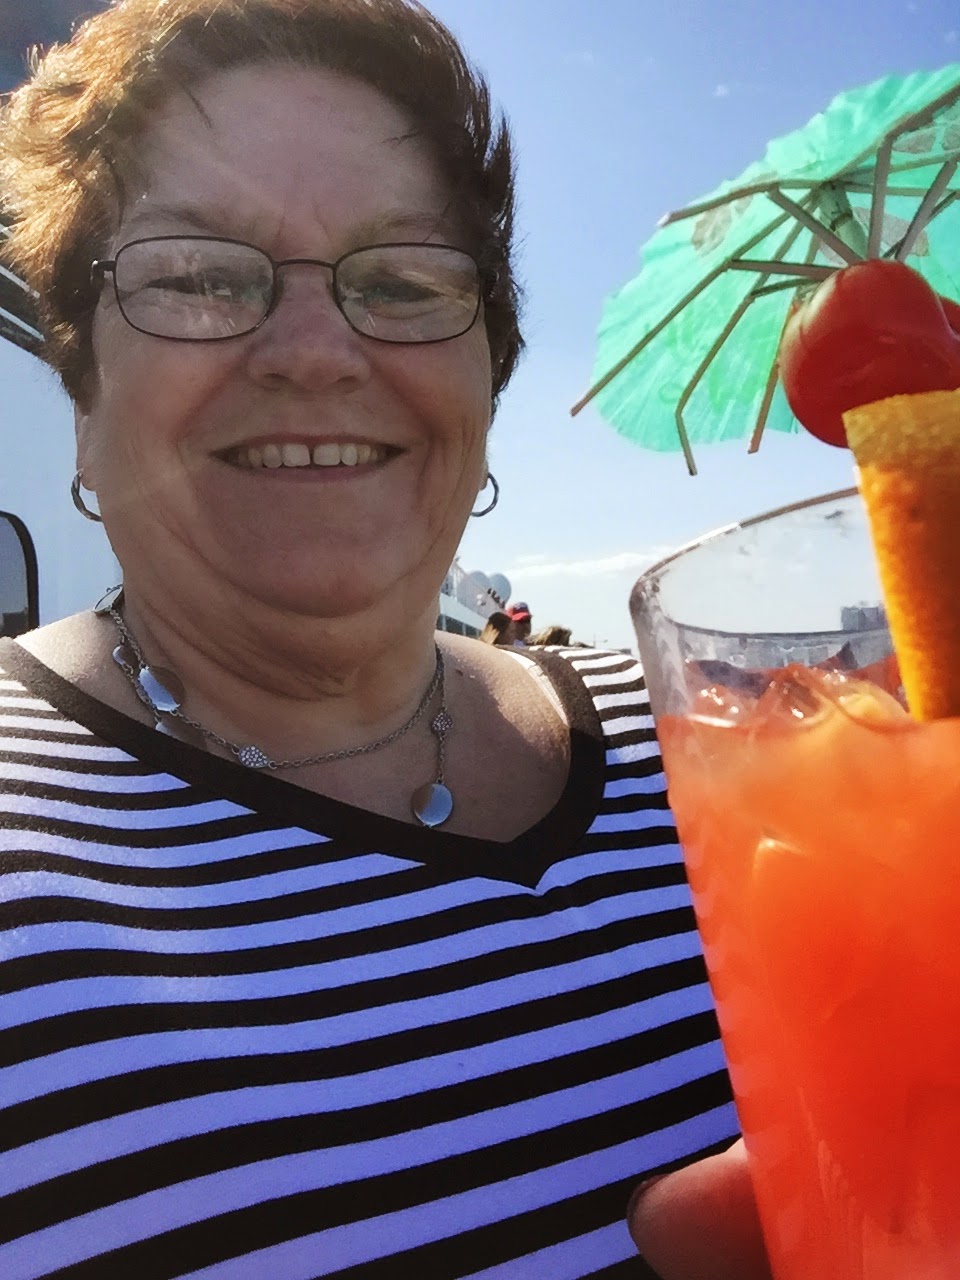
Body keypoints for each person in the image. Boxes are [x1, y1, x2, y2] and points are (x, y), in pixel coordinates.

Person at [0, 1, 737, 1275]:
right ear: (82, 388)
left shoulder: (741, 740)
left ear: (486, 376)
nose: (314, 353)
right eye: (200, 275)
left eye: (403, 279)